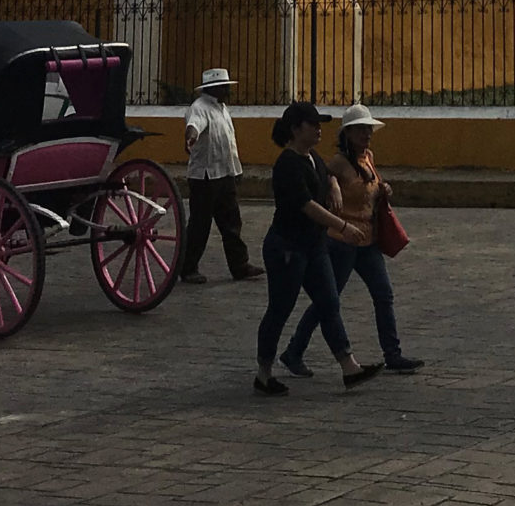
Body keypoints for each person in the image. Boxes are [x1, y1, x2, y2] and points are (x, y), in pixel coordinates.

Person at [283, 103, 423, 376]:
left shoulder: (367, 157)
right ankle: (293, 350)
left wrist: (384, 190)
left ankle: (392, 353)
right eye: (361, 130)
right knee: (327, 301)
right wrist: (333, 185)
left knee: (383, 294)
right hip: (342, 241)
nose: (366, 135)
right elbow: (323, 187)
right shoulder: (337, 163)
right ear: (347, 133)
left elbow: (370, 188)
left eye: (369, 130)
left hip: (368, 241)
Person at [252, 101, 380, 396]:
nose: (319, 130)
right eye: (313, 124)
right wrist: (344, 226)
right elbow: (307, 205)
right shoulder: (287, 163)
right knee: (280, 308)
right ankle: (264, 371)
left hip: (314, 245)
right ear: (296, 129)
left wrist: (333, 183)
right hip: (288, 247)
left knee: (329, 302)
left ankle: (349, 366)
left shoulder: (313, 158)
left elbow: (327, 176)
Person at [179, 67, 256, 285]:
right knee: (199, 226)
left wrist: (236, 170)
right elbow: (194, 127)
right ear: (214, 88)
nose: (227, 90)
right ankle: (188, 267)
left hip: (224, 174)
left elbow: (229, 143)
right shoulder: (199, 108)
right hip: (205, 177)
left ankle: (240, 265)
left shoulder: (222, 109)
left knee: (232, 223)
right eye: (224, 87)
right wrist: (190, 138)